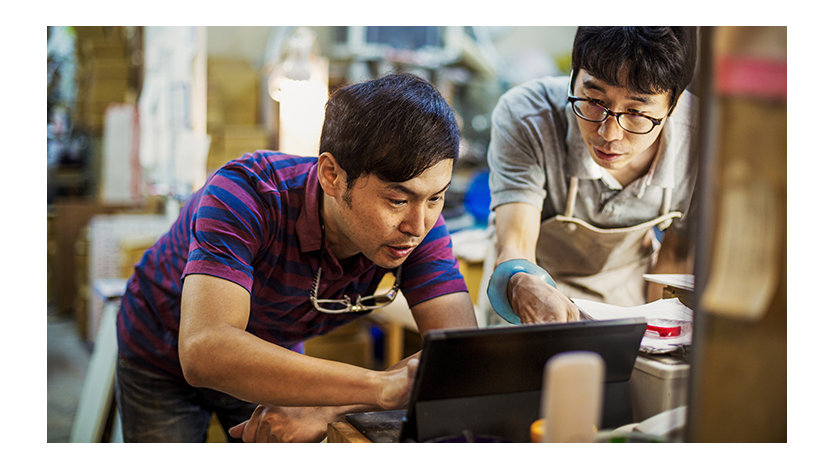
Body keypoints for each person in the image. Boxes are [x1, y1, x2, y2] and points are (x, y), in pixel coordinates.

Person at [115, 73, 478, 442]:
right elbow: (205, 350)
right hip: (160, 351)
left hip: (266, 354)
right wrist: (377, 387)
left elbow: (462, 354)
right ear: (332, 176)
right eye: (397, 200)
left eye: (436, 197)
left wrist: (330, 406)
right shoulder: (246, 194)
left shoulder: (420, 225)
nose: (417, 225)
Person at [485, 27, 698, 324]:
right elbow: (516, 245)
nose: (608, 133)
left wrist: (659, 334)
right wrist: (522, 283)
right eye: (595, 101)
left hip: (627, 302)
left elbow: (674, 258)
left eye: (636, 112)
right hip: (531, 297)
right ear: (574, 77)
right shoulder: (528, 116)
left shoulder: (701, 142)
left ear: (673, 105)